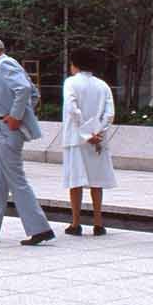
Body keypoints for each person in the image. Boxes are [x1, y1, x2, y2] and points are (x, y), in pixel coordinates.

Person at [0, 35, 55, 246]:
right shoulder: (5, 65)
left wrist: (16, 116)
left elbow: (25, 90)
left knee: (16, 179)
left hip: (5, 127)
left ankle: (40, 228)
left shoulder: (4, 64)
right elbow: (33, 92)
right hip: (3, 126)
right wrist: (20, 113)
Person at [61, 48, 117, 236]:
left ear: (75, 64)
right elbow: (109, 114)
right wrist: (97, 133)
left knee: (75, 182)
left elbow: (72, 108)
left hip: (75, 139)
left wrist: (85, 133)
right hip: (98, 140)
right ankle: (98, 223)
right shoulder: (103, 85)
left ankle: (76, 223)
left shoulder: (71, 83)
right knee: (96, 182)